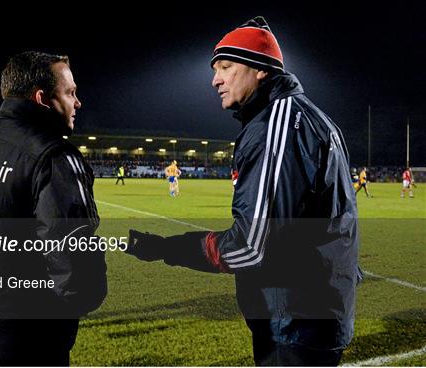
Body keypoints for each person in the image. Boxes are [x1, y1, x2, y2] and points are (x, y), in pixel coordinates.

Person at [126, 17, 360, 366]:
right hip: (314, 312)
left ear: (261, 70)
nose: (214, 79)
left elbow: (251, 246)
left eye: (226, 66)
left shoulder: (276, 126)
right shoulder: (307, 117)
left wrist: (167, 248)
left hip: (295, 321)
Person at [0, 51, 107, 366]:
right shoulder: (54, 156)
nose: (78, 102)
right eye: (70, 92)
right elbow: (79, 277)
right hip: (27, 347)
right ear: (43, 98)